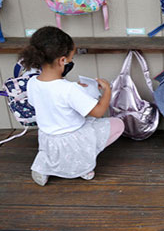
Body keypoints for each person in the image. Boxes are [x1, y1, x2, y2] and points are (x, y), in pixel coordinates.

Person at [19, 26, 124, 186]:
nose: (70, 62)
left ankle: (44, 168)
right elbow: (98, 112)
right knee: (118, 124)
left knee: (52, 149)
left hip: (48, 139)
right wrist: (108, 90)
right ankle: (83, 167)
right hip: (74, 139)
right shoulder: (69, 89)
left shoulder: (32, 82)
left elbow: (45, 101)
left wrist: (77, 91)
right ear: (62, 60)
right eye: (70, 58)